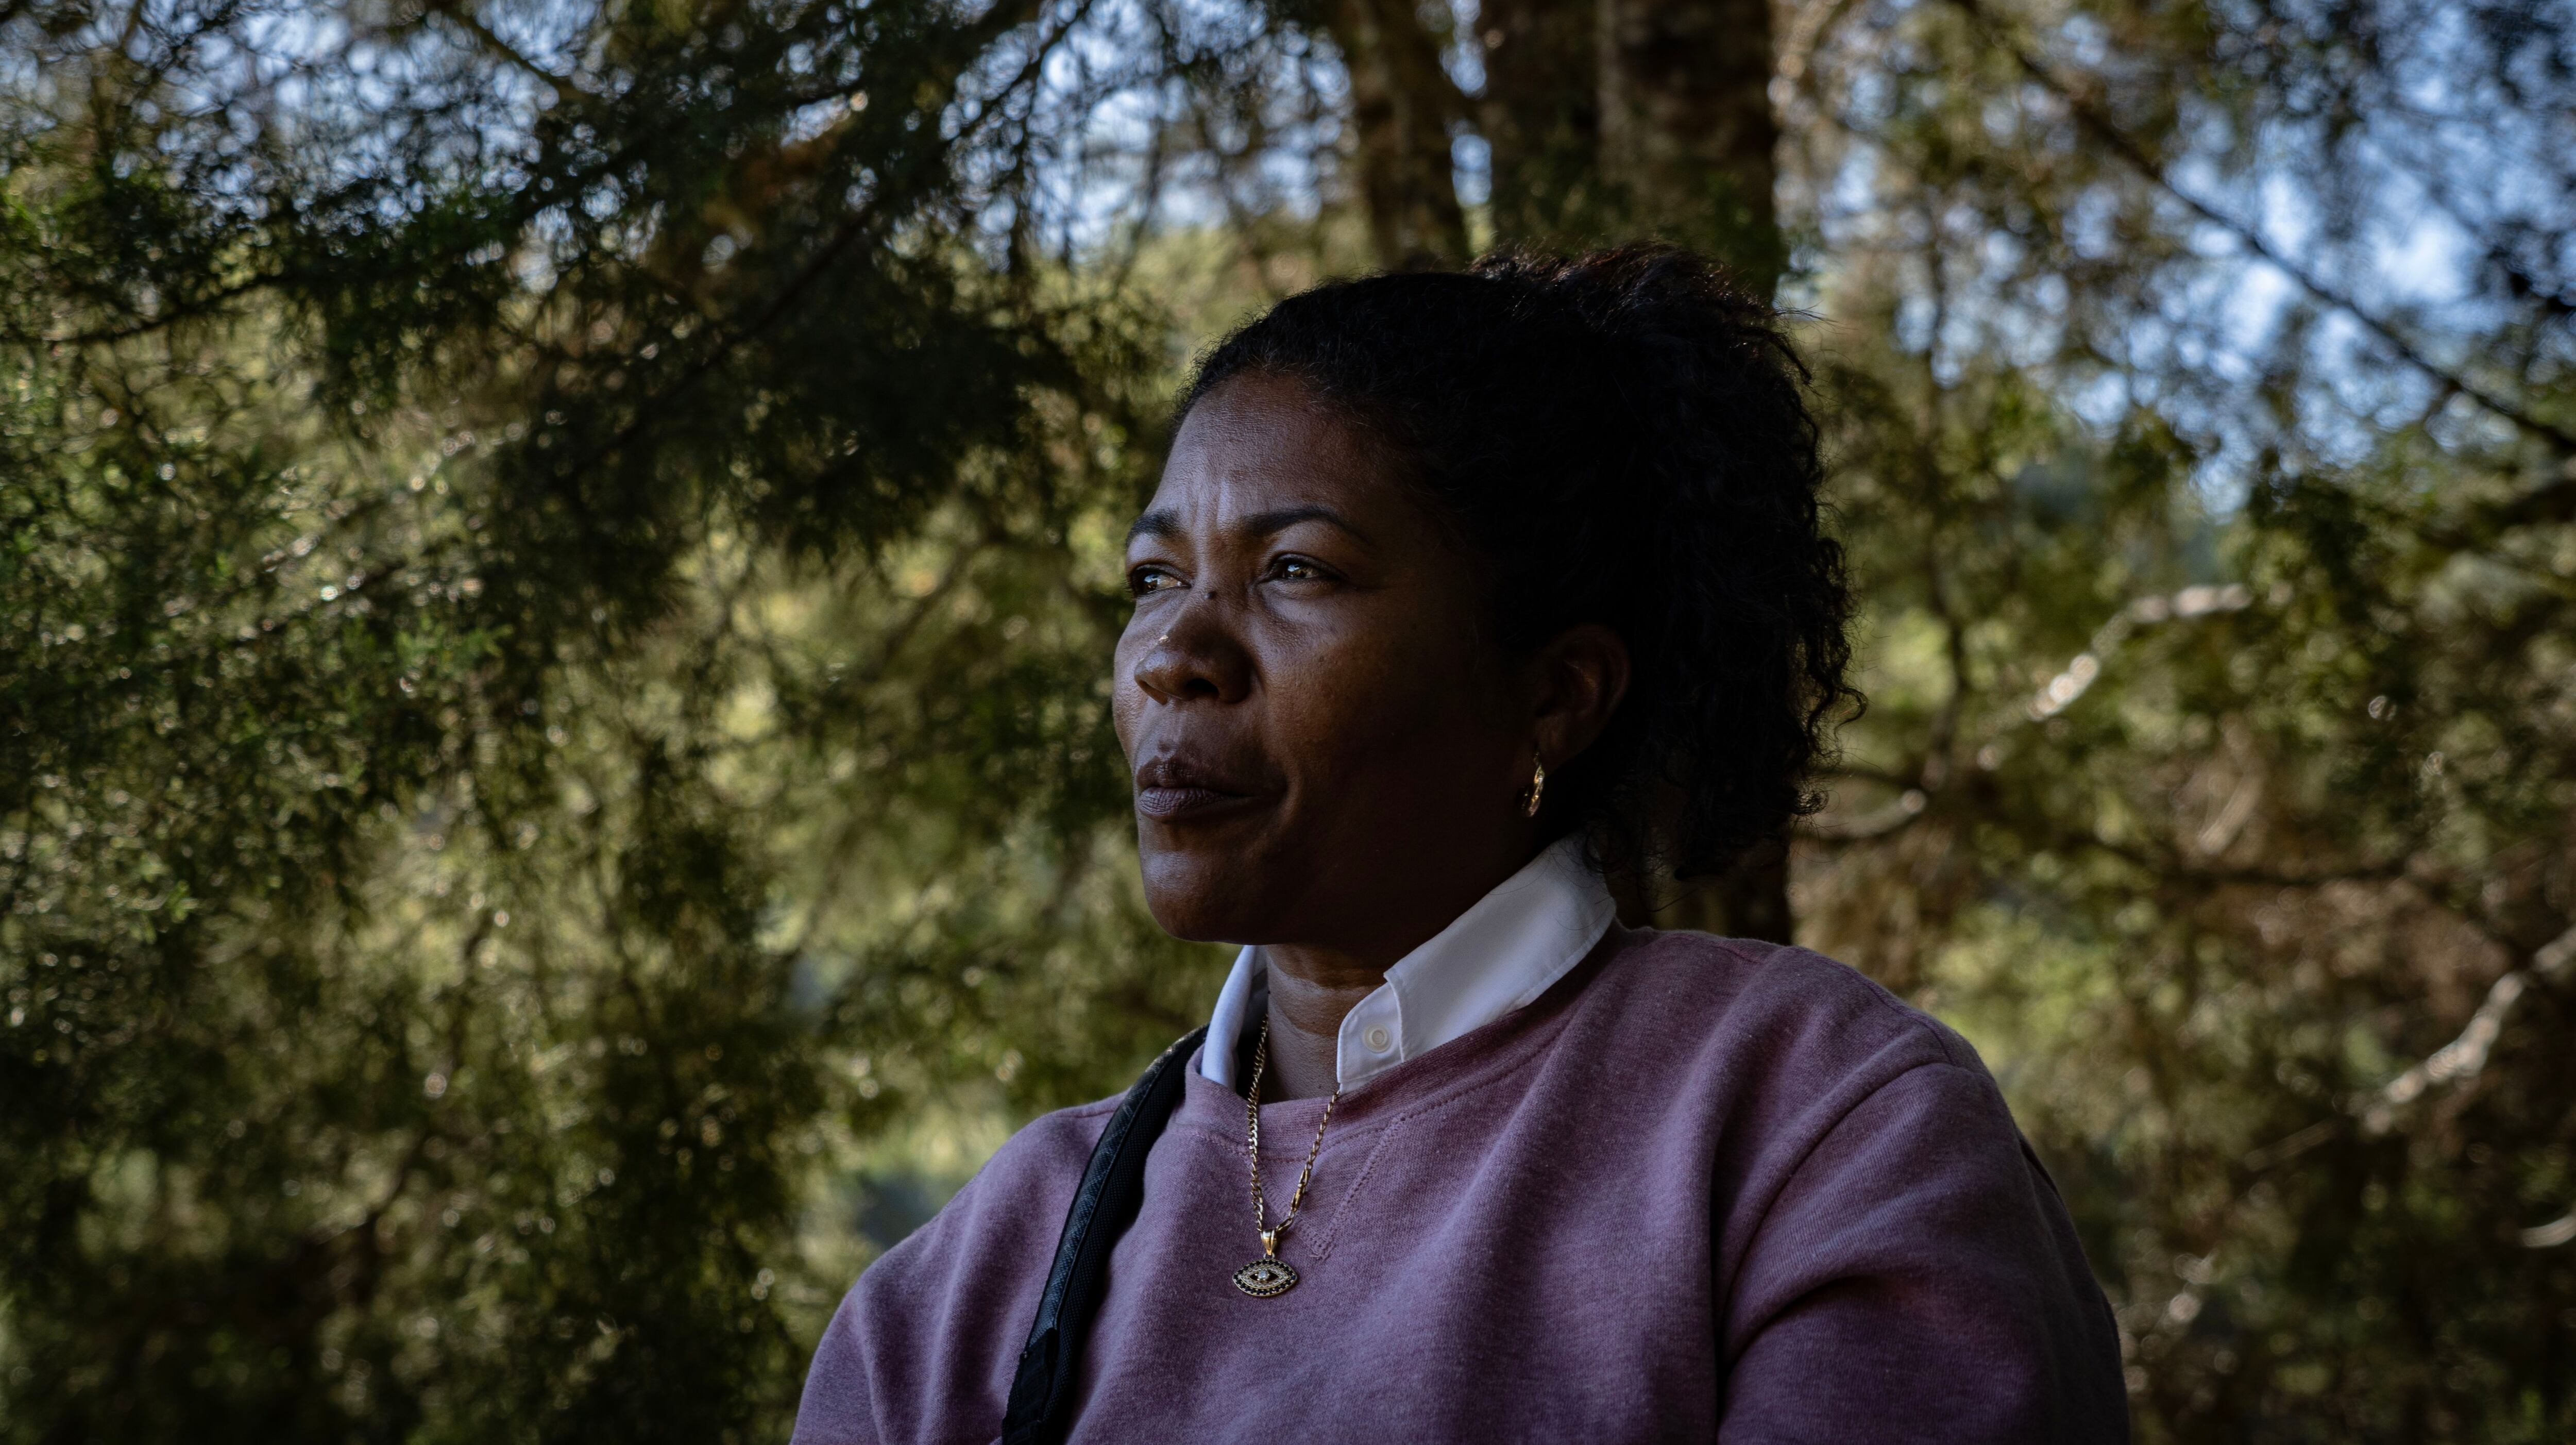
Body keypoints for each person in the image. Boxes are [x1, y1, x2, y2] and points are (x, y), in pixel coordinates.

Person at [791, 247, 2130, 1442]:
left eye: (1296, 570)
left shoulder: (1819, 1126)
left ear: (1553, 693)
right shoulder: (971, 1285)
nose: (1176, 656)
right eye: (1154, 579)